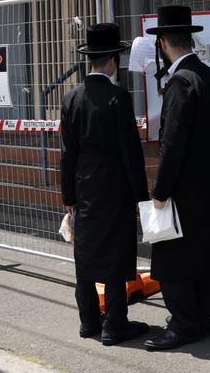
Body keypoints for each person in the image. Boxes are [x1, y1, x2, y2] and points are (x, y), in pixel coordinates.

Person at [143, 5, 210, 351]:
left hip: (184, 185)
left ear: (164, 41)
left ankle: (183, 324)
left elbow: (173, 143)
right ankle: (200, 320)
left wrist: (161, 190)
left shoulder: (180, 83)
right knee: (202, 254)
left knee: (174, 258)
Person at [60, 22, 150, 346]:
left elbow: (67, 153)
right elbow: (131, 152)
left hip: (84, 187)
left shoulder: (70, 99)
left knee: (85, 253)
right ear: (113, 60)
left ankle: (88, 321)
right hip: (116, 187)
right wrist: (142, 197)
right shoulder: (118, 98)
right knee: (115, 254)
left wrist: (68, 194)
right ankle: (115, 324)